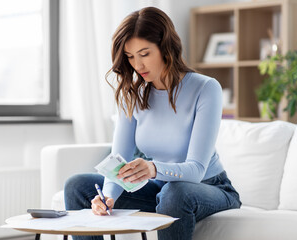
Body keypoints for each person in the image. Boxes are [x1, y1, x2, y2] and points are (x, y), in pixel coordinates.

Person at [64, 6, 241, 240]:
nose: (137, 65)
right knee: (77, 185)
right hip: (160, 188)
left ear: (166, 46)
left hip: (209, 187)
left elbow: (196, 170)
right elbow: (119, 161)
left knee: (174, 193)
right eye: (130, 57)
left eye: (144, 53)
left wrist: (153, 168)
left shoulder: (206, 88)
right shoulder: (133, 96)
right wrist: (107, 198)